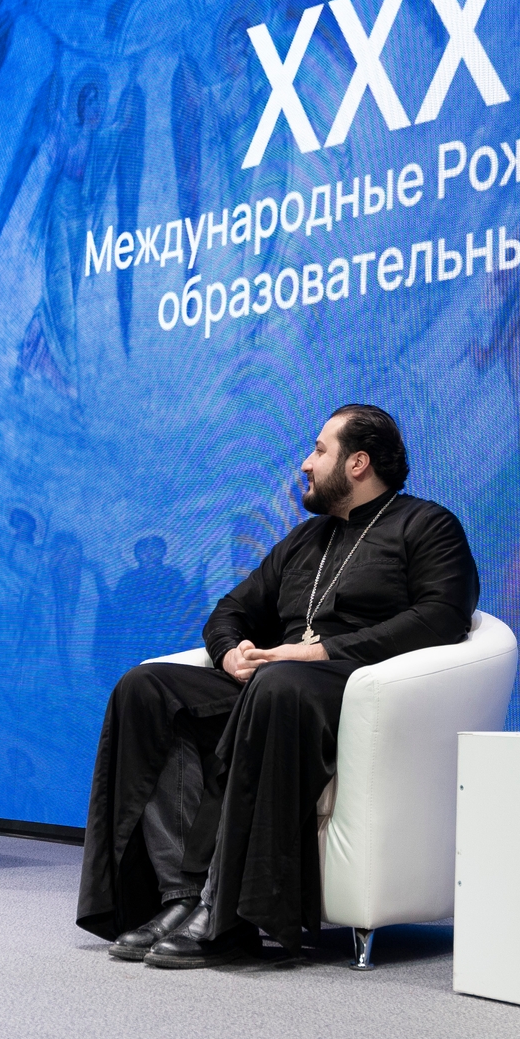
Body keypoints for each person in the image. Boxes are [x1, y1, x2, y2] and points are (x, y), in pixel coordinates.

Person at [77, 405, 479, 965]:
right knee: (147, 687)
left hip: (352, 693)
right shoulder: (306, 538)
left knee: (281, 683)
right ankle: (180, 895)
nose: (305, 464)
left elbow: (443, 617)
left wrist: (317, 651)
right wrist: (230, 652)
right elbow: (231, 610)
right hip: (274, 688)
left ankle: (228, 915)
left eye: (319, 450)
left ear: (358, 463)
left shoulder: (426, 525)